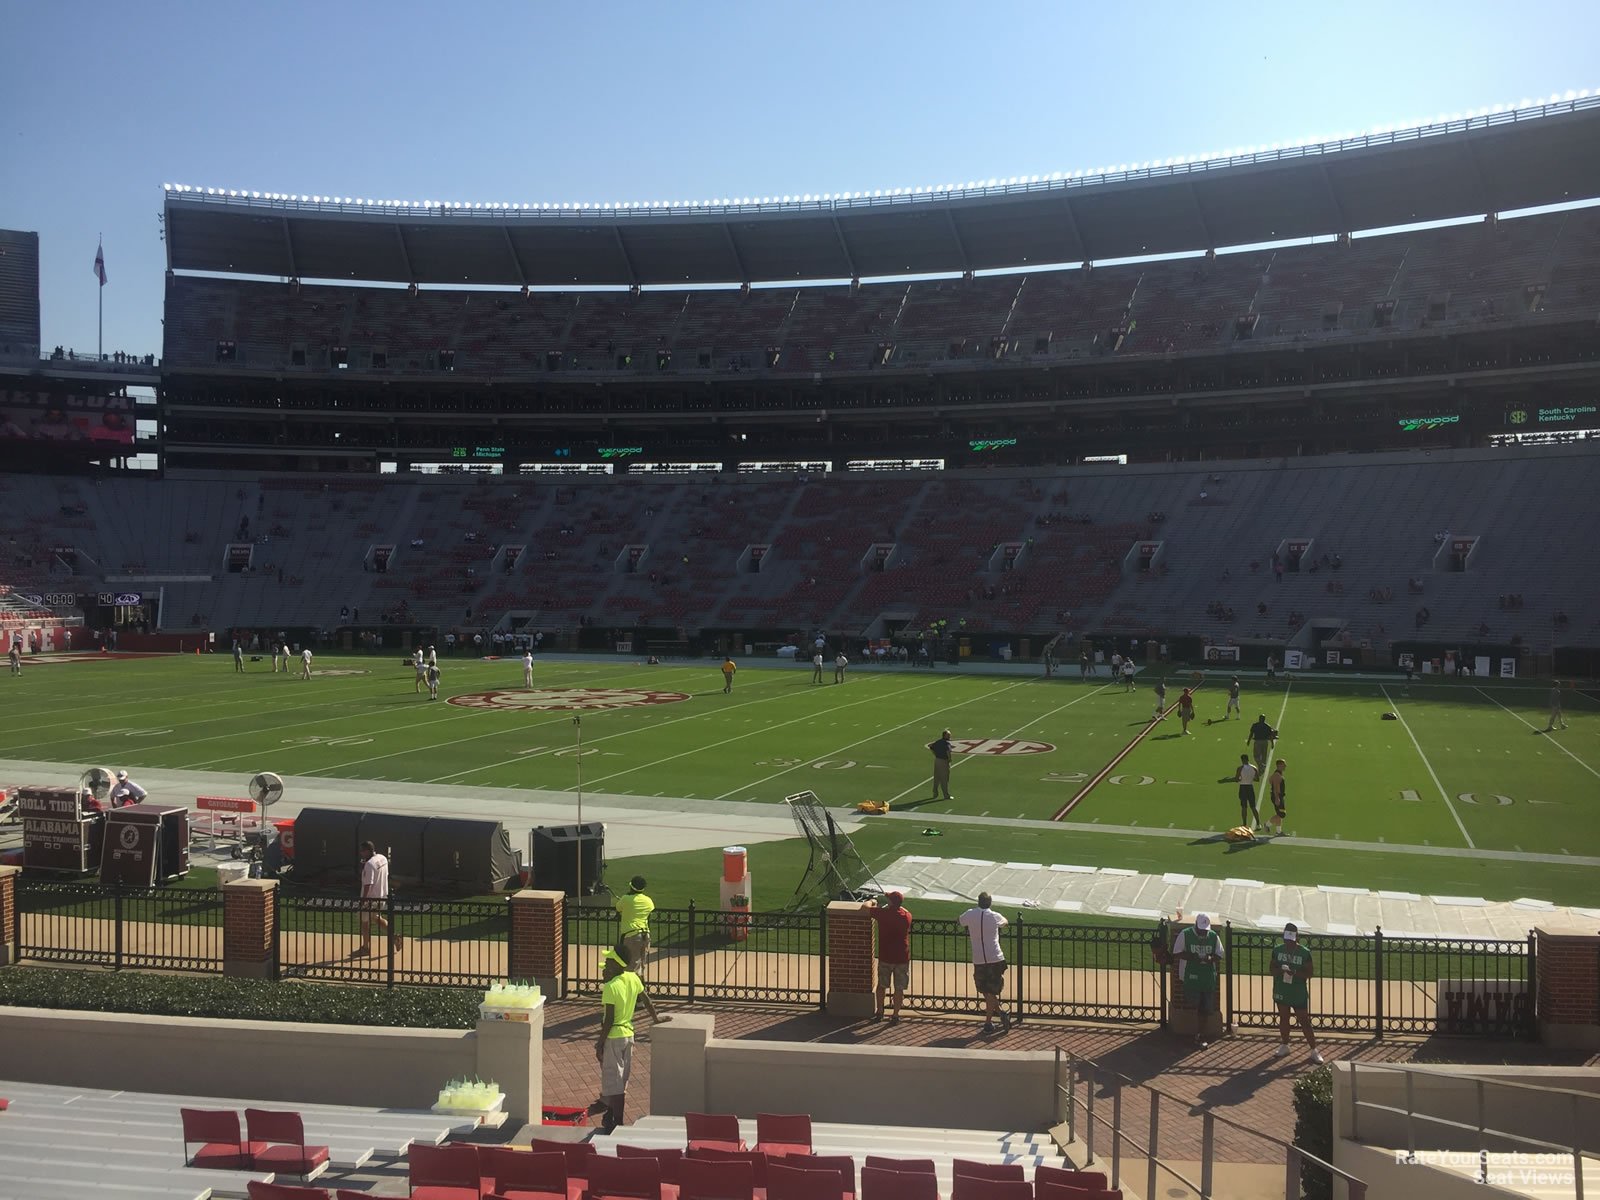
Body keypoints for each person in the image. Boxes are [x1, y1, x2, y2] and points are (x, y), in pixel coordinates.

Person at [593, 947, 667, 1133]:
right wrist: (656, 1019)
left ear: (618, 963)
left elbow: (609, 1020)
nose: (606, 966)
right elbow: (647, 1001)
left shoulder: (611, 987)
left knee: (614, 1082)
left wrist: (600, 1043)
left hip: (614, 1038)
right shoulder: (633, 977)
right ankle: (610, 1116)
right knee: (620, 1080)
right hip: (628, 1037)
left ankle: (617, 1122)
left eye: (609, 962)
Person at [957, 892, 1009, 1035]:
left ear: (978, 902)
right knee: (989, 992)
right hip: (995, 957)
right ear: (990, 903)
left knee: (986, 991)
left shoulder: (970, 914)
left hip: (979, 959)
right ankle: (1000, 1014)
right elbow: (1005, 922)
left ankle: (989, 1022)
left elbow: (959, 921)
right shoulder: (994, 916)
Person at [1271, 923, 1323, 1063]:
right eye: (1286, 939)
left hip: (1298, 991)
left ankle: (1313, 1050)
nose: (1288, 942)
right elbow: (1272, 969)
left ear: (1296, 937)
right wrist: (1281, 970)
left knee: (1304, 1021)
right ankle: (1285, 1045)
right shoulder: (1277, 950)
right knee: (1284, 1018)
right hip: (1281, 989)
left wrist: (1295, 973)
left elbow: (1309, 973)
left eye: (1291, 939)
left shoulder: (1304, 952)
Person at [1173, 912, 1223, 1048]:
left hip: (1207, 977)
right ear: (1196, 925)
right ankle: (1192, 1032)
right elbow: (1177, 952)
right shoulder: (1185, 934)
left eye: (1205, 930)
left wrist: (1209, 959)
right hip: (1190, 975)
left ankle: (1200, 1035)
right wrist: (1193, 957)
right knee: (1193, 1004)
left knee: (1204, 1008)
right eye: (1201, 930)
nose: (1203, 933)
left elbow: (1219, 954)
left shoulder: (1213, 936)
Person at [862, 891, 913, 1023]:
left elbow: (865, 907)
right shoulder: (906, 916)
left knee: (882, 985)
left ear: (890, 903)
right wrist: (892, 901)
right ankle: (895, 1015)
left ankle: (880, 1011)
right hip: (902, 957)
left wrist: (872, 901)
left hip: (886, 957)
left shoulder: (883, 914)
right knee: (899, 988)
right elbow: (904, 909)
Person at [353, 841, 402, 957]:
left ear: (368, 851)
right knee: (376, 918)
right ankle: (395, 937)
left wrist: (363, 901)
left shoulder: (369, 864)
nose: (361, 854)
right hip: (382, 897)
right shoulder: (383, 858)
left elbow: (367, 885)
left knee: (365, 922)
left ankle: (365, 948)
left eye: (363, 851)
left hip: (371, 899)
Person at [614, 875, 654, 977]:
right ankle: (640, 989)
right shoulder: (648, 901)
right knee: (641, 965)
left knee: (631, 966)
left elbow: (618, 908)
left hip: (631, 935)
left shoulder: (626, 898)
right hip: (646, 936)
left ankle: (632, 991)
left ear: (631, 887)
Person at [1234, 754, 1261, 830]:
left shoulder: (1240, 768)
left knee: (1244, 807)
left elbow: (1236, 779)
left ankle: (1244, 824)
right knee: (1253, 807)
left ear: (1242, 760)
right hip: (1250, 787)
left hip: (1243, 787)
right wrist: (1250, 778)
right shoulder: (1254, 768)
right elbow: (1257, 779)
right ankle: (1258, 823)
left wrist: (1240, 779)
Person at [926, 728, 954, 801]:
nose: (949, 736)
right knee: (944, 779)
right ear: (944, 735)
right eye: (948, 735)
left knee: (937, 777)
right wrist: (949, 759)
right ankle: (946, 795)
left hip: (937, 760)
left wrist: (935, 754)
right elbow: (948, 752)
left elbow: (931, 747)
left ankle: (935, 792)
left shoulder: (938, 742)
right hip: (944, 761)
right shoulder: (946, 743)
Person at [1267, 759, 1287, 836]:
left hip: (1279, 796)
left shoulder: (1278, 774)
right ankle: (1267, 824)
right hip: (1278, 796)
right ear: (1279, 765)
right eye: (1284, 764)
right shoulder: (1277, 775)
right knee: (1282, 814)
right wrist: (1277, 798)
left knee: (1279, 813)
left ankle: (1278, 832)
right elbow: (1275, 787)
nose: (1285, 766)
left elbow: (1270, 780)